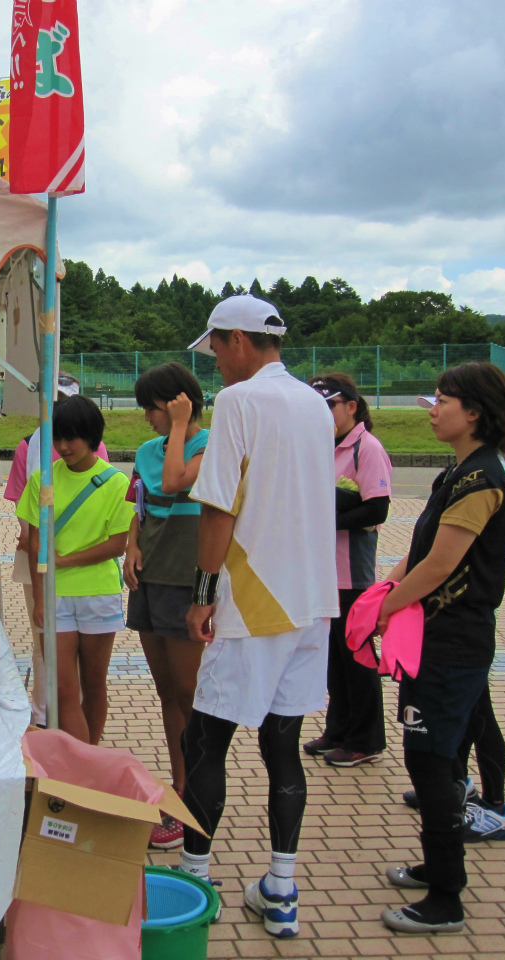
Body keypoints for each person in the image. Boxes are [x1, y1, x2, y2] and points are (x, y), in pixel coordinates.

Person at [179, 295, 337, 939]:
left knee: (204, 740)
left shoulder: (238, 402)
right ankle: (281, 889)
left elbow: (218, 506)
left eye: (215, 347)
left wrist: (202, 592)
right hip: (312, 601)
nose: (214, 361)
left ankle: (194, 877)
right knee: (282, 745)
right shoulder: (314, 404)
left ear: (238, 340)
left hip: (252, 600)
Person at [376, 363, 505, 935]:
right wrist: (388, 589)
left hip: (453, 642)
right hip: (436, 636)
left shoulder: (482, 479)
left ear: (475, 412)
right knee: (440, 755)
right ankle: (438, 867)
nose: (433, 411)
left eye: (443, 401)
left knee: (430, 759)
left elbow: (441, 564)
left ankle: (445, 898)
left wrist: (387, 607)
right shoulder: (457, 472)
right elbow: (420, 551)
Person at [123, 362, 209, 851]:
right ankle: (180, 788)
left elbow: (175, 482)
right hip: (150, 578)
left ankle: (197, 794)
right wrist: (131, 547)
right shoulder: (145, 451)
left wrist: (179, 426)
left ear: (179, 404)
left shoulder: (210, 446)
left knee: (189, 691)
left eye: (152, 408)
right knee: (167, 692)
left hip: (186, 581)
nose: (147, 417)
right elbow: (141, 506)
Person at [17, 394, 132, 745]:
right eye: (57, 438)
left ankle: (87, 758)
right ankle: (83, 765)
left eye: (72, 438)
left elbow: (117, 544)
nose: (63, 446)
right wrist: (39, 598)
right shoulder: (43, 480)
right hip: (56, 598)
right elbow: (35, 543)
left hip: (99, 595)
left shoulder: (116, 482)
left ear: (92, 435)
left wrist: (63, 561)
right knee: (64, 688)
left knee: (94, 685)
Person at [4, 384, 110, 725]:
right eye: (54, 402)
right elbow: (20, 497)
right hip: (37, 561)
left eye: (64, 401)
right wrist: (28, 532)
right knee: (44, 647)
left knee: (86, 672)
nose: (63, 444)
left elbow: (100, 502)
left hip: (85, 574)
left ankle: (71, 725)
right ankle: (42, 713)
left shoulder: (96, 451)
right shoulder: (29, 445)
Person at [303, 374, 393, 767]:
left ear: (351, 407)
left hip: (351, 573)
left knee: (357, 657)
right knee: (333, 657)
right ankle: (338, 730)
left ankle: (365, 739)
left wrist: (325, 520)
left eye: (329, 406)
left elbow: (377, 509)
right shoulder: (320, 446)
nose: (322, 414)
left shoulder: (366, 448)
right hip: (321, 572)